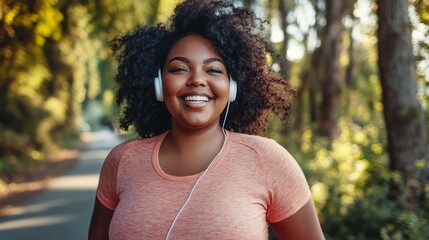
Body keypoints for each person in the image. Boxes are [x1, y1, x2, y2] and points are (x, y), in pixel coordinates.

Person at [88, 0, 324, 239]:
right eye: (179, 69)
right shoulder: (122, 161)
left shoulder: (267, 161)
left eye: (213, 70)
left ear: (232, 87)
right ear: (159, 84)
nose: (197, 80)